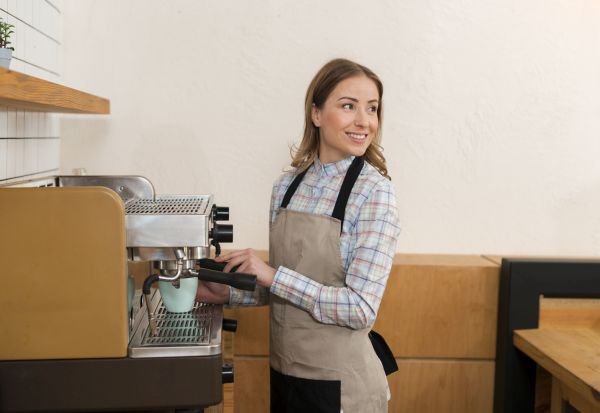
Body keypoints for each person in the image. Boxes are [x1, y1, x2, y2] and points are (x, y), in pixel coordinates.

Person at [196, 58, 401, 413]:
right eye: (348, 106)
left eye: (372, 108)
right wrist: (227, 292)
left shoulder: (374, 192)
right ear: (316, 114)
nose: (364, 121)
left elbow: (360, 309)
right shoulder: (287, 187)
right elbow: (285, 290)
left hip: (344, 390)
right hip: (286, 378)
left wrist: (271, 274)